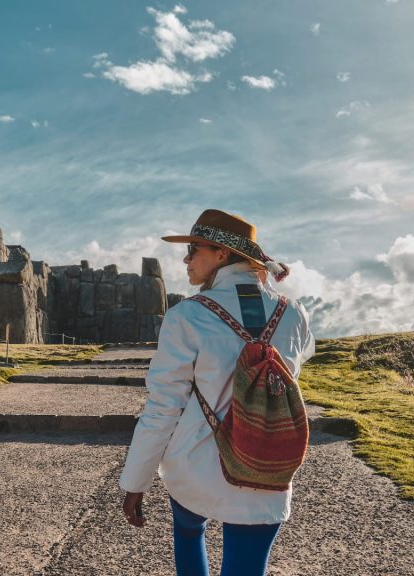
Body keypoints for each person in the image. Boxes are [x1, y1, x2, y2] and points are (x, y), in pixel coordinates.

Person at [120, 209, 315, 576]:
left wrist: (135, 482)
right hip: (268, 465)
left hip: (199, 466)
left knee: (189, 531)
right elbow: (295, 367)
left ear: (222, 254)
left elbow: (163, 407)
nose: (186, 258)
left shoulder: (188, 316)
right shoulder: (295, 314)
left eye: (194, 249)